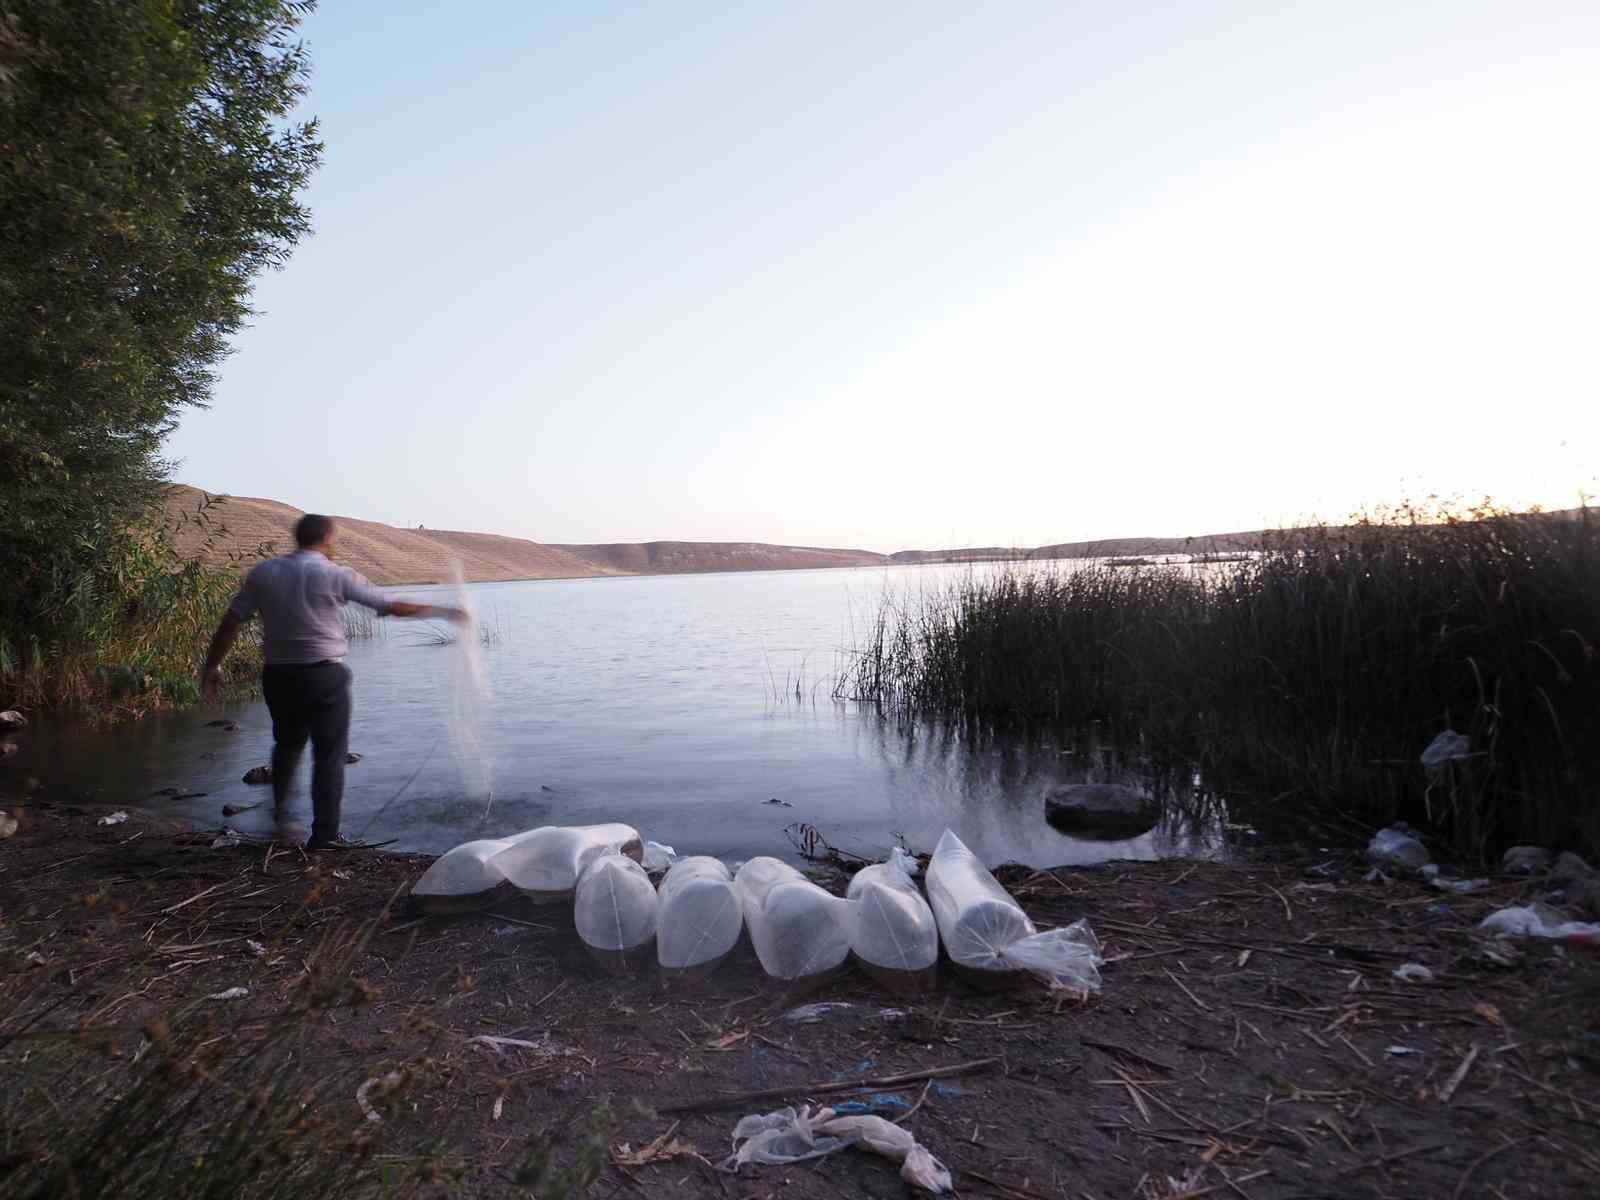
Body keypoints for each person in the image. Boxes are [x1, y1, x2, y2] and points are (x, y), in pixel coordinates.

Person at [200, 513, 464, 849]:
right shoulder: (335, 574)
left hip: (278, 677)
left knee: (287, 747)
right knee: (329, 755)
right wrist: (444, 612)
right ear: (326, 538)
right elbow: (389, 605)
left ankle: (281, 820)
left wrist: (213, 667)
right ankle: (324, 836)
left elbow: (232, 620)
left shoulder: (264, 573)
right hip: (324, 678)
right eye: (334, 539)